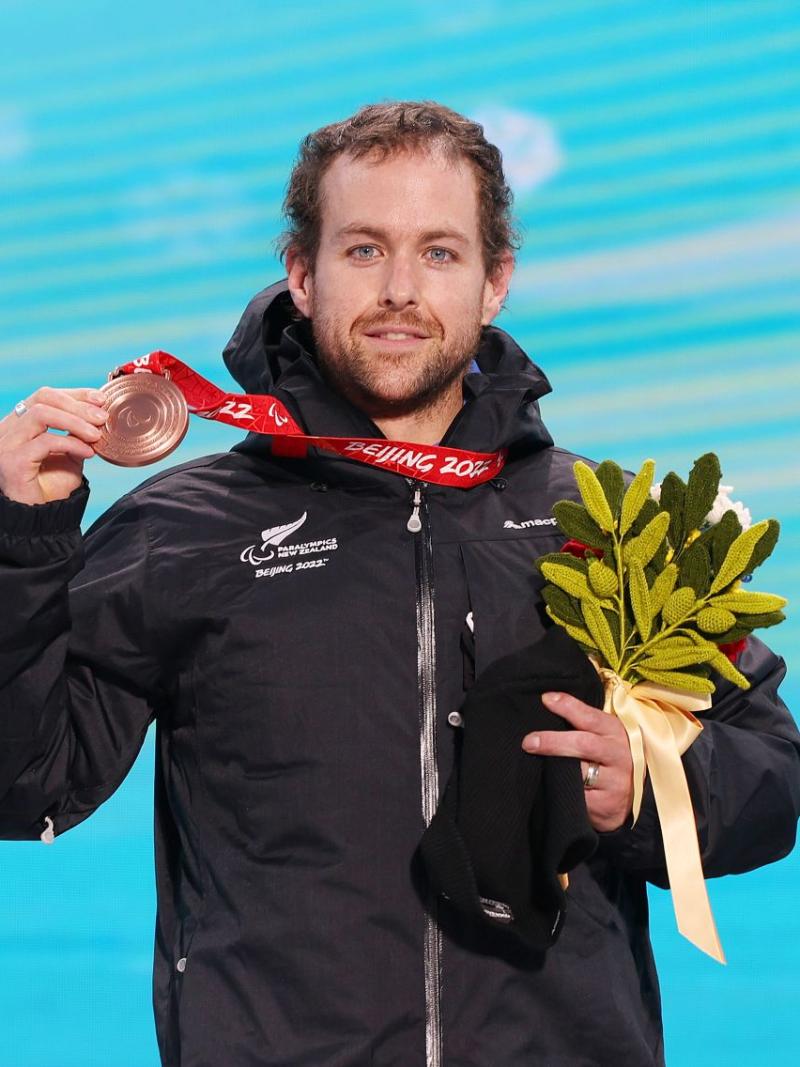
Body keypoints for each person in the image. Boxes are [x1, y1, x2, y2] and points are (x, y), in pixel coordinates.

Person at [0, 101, 798, 1067]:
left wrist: (654, 787)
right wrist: (22, 542)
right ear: (302, 273)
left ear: (496, 282)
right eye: (365, 250)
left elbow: (775, 777)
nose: (401, 291)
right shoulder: (186, 529)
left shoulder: (609, 522)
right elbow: (26, 786)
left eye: (441, 253)